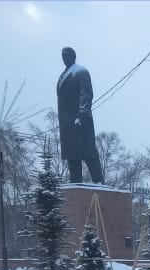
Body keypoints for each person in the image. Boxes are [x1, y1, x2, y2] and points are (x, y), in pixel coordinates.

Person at [56, 46, 103, 184]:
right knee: (72, 156)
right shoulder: (63, 75)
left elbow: (86, 93)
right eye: (63, 56)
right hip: (67, 124)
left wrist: (82, 113)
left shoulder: (81, 72)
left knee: (89, 154)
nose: (64, 58)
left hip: (80, 121)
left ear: (73, 56)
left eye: (67, 55)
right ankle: (75, 184)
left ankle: (99, 184)